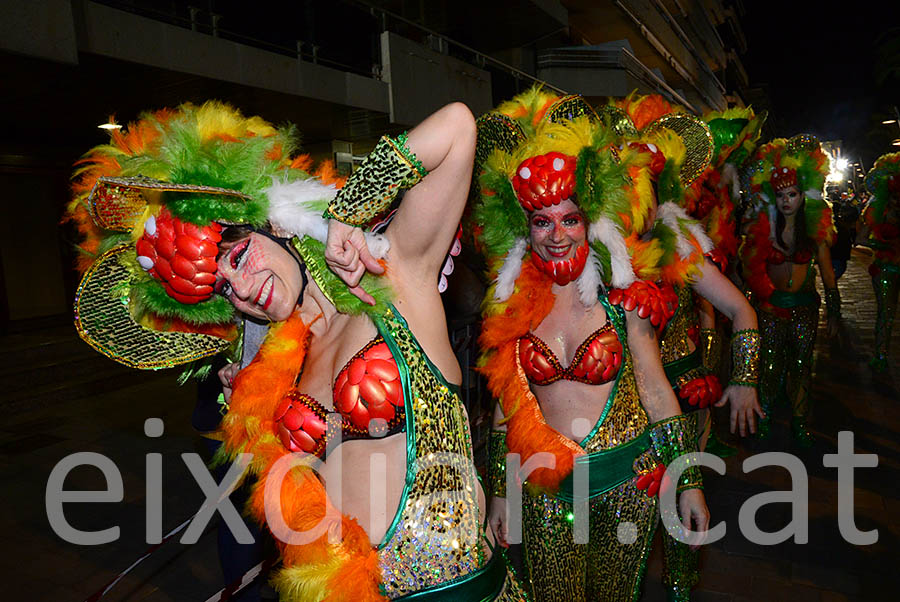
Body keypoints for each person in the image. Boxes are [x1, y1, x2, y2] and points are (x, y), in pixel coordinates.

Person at [67, 101, 527, 600]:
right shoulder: (282, 369)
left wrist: (348, 211)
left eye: (239, 256)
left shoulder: (394, 279)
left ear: (276, 224)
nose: (242, 290)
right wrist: (248, 413)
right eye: (223, 289)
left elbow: (458, 127)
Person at [472, 89, 710, 602]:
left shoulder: (626, 298)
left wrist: (688, 480)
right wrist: (498, 492)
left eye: (569, 219)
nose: (557, 235)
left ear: (591, 221)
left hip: (627, 483)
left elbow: (656, 392)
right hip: (545, 489)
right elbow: (502, 407)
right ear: (524, 228)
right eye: (542, 221)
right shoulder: (508, 307)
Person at [604, 94, 764, 601]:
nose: (634, 203)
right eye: (622, 189)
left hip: (680, 404)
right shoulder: (589, 257)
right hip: (620, 422)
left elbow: (742, 310)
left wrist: (745, 379)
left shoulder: (682, 253)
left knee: (681, 528)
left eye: (642, 188)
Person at [740, 135, 839, 446]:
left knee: (801, 365)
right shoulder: (763, 228)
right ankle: (766, 416)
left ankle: (799, 422)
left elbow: (827, 273)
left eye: (792, 194)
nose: (786, 201)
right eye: (781, 195)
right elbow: (748, 268)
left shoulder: (815, 232)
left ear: (802, 196)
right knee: (769, 365)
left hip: (805, 308)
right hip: (770, 309)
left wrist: (835, 311)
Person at [863, 153, 900, 372]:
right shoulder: (878, 211)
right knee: (885, 314)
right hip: (885, 269)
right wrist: (886, 247)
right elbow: (861, 239)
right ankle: (880, 355)